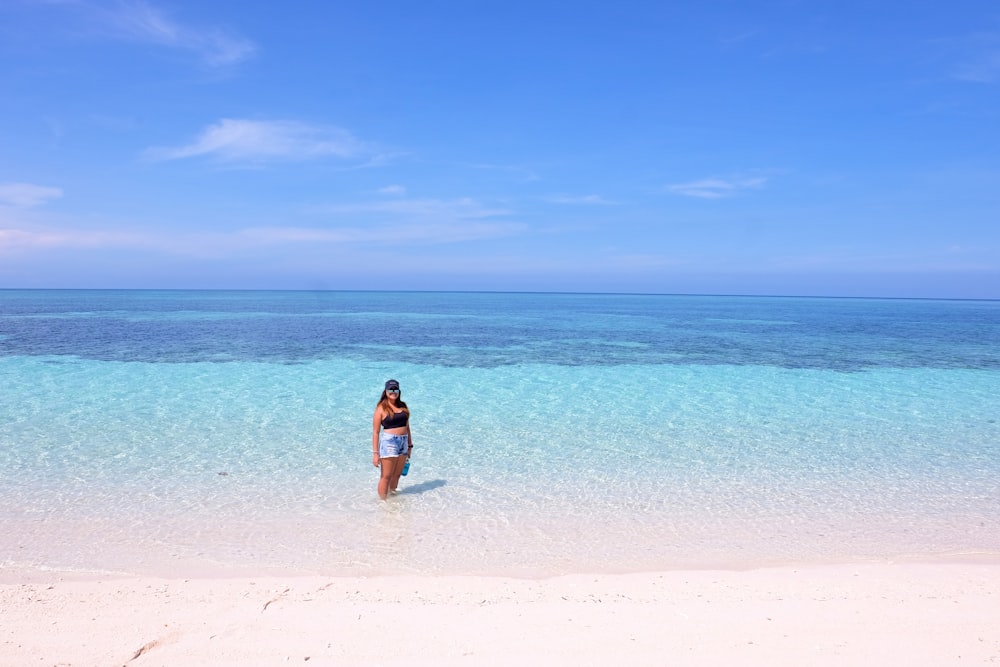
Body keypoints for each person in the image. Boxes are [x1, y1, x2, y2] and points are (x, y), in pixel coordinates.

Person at [372, 379, 412, 499]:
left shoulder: (403, 406)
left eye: (395, 389)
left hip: (403, 442)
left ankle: (392, 499)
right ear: (386, 391)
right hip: (390, 442)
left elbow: (407, 427)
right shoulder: (381, 408)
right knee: (386, 475)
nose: (393, 391)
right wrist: (375, 453)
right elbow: (376, 432)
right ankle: (383, 502)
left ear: (399, 391)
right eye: (391, 389)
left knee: (397, 475)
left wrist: (410, 445)